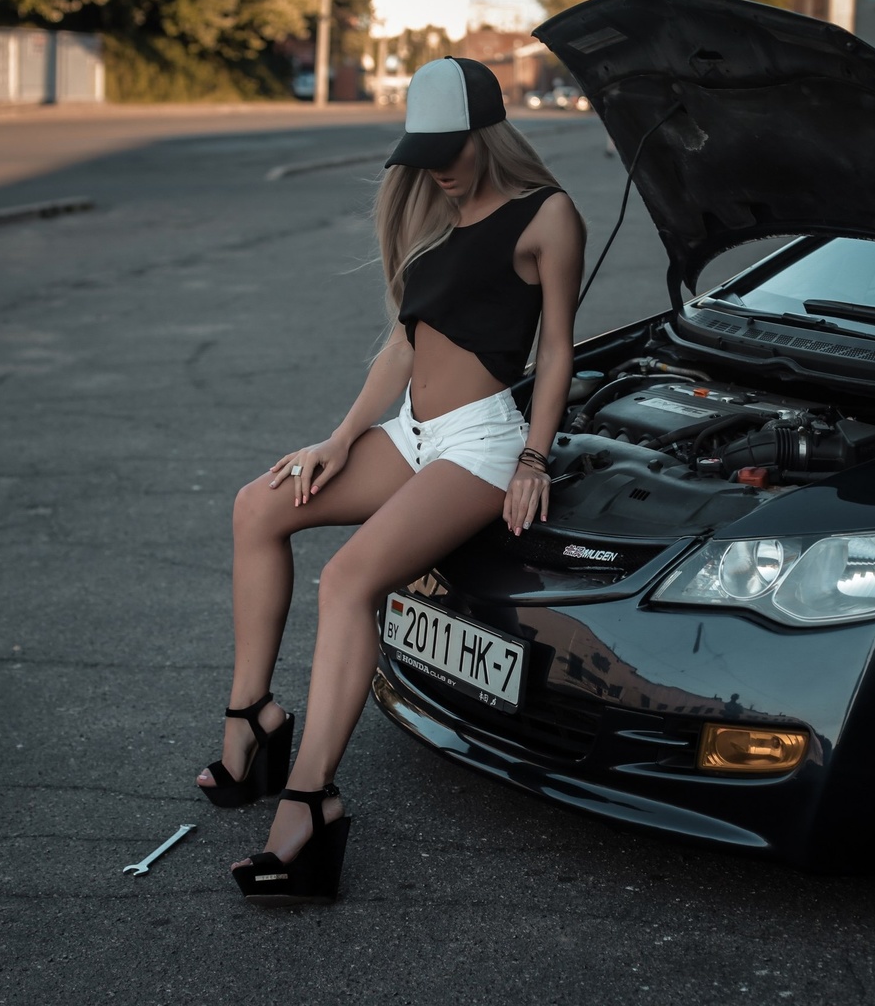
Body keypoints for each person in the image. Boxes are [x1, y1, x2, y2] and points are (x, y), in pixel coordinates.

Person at [194, 56, 585, 906]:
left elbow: (556, 349)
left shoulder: (547, 215)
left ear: (487, 131)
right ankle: (250, 720)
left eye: (450, 148)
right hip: (410, 432)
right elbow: (404, 347)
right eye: (424, 151)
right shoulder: (438, 223)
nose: (438, 166)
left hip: (480, 445)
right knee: (258, 504)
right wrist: (340, 438)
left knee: (348, 580)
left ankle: (310, 804)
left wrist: (534, 456)